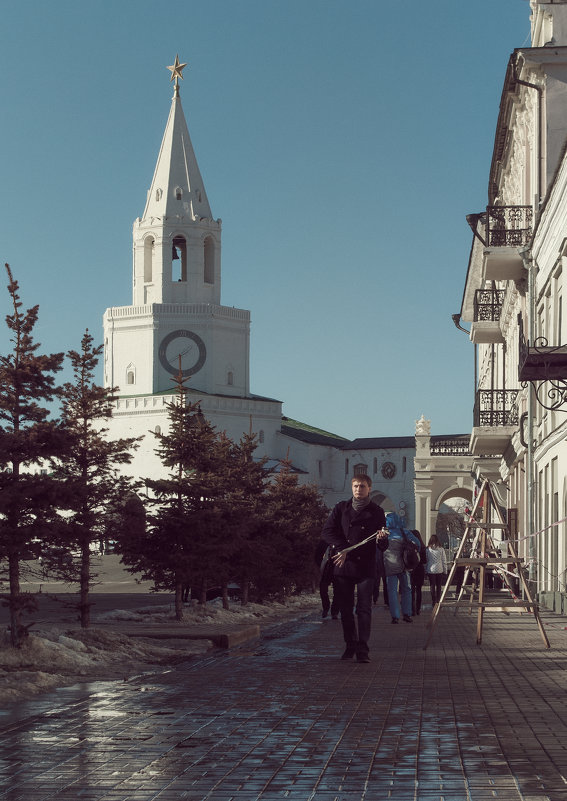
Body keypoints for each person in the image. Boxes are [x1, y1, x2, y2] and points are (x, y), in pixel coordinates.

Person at [321, 475, 387, 663]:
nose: (359, 489)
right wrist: (343, 548)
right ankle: (350, 645)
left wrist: (382, 538)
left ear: (369, 488)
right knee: (346, 609)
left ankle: (363, 649)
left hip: (366, 566)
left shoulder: (377, 511)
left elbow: (382, 545)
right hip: (344, 565)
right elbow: (327, 532)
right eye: (356, 486)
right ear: (352, 488)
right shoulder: (341, 508)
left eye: (363, 486)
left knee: (364, 609)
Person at [383, 512, 420, 624]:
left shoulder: (385, 534)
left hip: (389, 567)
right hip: (404, 566)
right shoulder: (404, 532)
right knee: (406, 590)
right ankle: (407, 614)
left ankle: (395, 616)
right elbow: (417, 544)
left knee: (392, 591)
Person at [314, 539, 339, 619]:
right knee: (323, 589)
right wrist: (321, 565)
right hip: (326, 569)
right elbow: (317, 555)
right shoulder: (324, 541)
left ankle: (335, 612)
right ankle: (326, 607)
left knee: (338, 592)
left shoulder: (341, 540)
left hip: (338, 569)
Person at [426, 534, 447, 606]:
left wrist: (426, 570)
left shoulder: (428, 549)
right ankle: (438, 600)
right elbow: (444, 560)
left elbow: (427, 560)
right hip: (439, 569)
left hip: (431, 570)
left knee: (432, 586)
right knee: (439, 586)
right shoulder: (441, 549)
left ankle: (433, 600)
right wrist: (445, 570)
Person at [410, 529, 426, 616]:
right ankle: (418, 609)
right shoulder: (423, 547)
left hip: (411, 570)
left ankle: (412, 609)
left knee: (411, 591)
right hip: (420, 570)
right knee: (419, 590)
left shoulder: (409, 546)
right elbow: (424, 561)